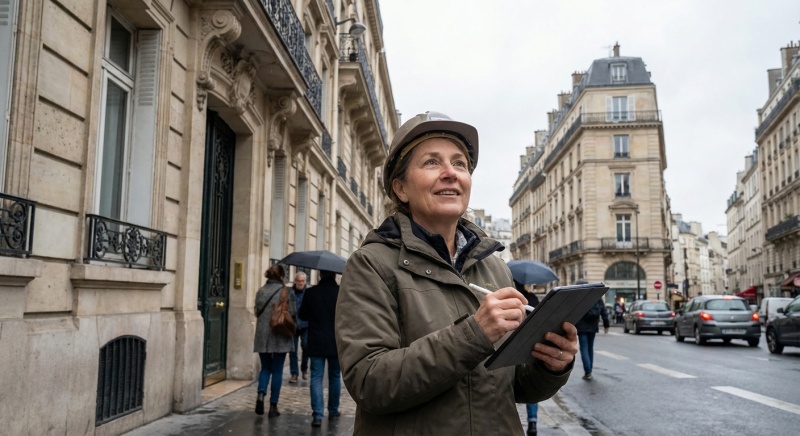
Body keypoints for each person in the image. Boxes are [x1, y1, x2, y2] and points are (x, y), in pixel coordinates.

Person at [335, 111, 578, 434]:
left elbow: (515, 385)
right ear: (401, 189)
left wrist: (552, 364)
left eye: (460, 163)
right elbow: (370, 383)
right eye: (432, 162)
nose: (451, 173)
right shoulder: (371, 265)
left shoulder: (494, 267)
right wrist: (475, 334)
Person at [298, 270, 341, 427]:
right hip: (336, 341)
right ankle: (334, 410)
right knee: (335, 376)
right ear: (334, 276)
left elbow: (302, 315)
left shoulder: (311, 292)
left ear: (320, 275)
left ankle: (317, 415)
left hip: (315, 340)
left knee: (316, 377)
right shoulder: (340, 293)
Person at [253, 264, 296, 417]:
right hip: (280, 334)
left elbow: (256, 311)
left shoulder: (261, 291)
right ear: (281, 276)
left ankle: (260, 393)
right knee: (277, 370)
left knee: (265, 368)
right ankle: (273, 406)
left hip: (262, 335)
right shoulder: (286, 291)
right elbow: (292, 312)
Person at [515, 280, 540, 436]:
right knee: (530, 382)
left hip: (513, 343)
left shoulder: (508, 295)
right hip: (531, 343)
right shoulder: (532, 298)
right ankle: (532, 421)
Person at [574, 278, 610, 380]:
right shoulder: (596, 296)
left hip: (581, 327)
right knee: (590, 348)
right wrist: (606, 324)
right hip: (593, 326)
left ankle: (588, 372)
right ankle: (590, 370)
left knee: (584, 348)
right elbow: (603, 310)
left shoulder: (578, 297)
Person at [289, 271, 309, 383]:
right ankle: (294, 373)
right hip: (293, 325)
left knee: (306, 347)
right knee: (293, 350)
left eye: (302, 281)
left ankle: (304, 368)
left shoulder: (308, 293)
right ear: (295, 281)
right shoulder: (290, 292)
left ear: (305, 282)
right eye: (298, 281)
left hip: (306, 324)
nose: (300, 283)